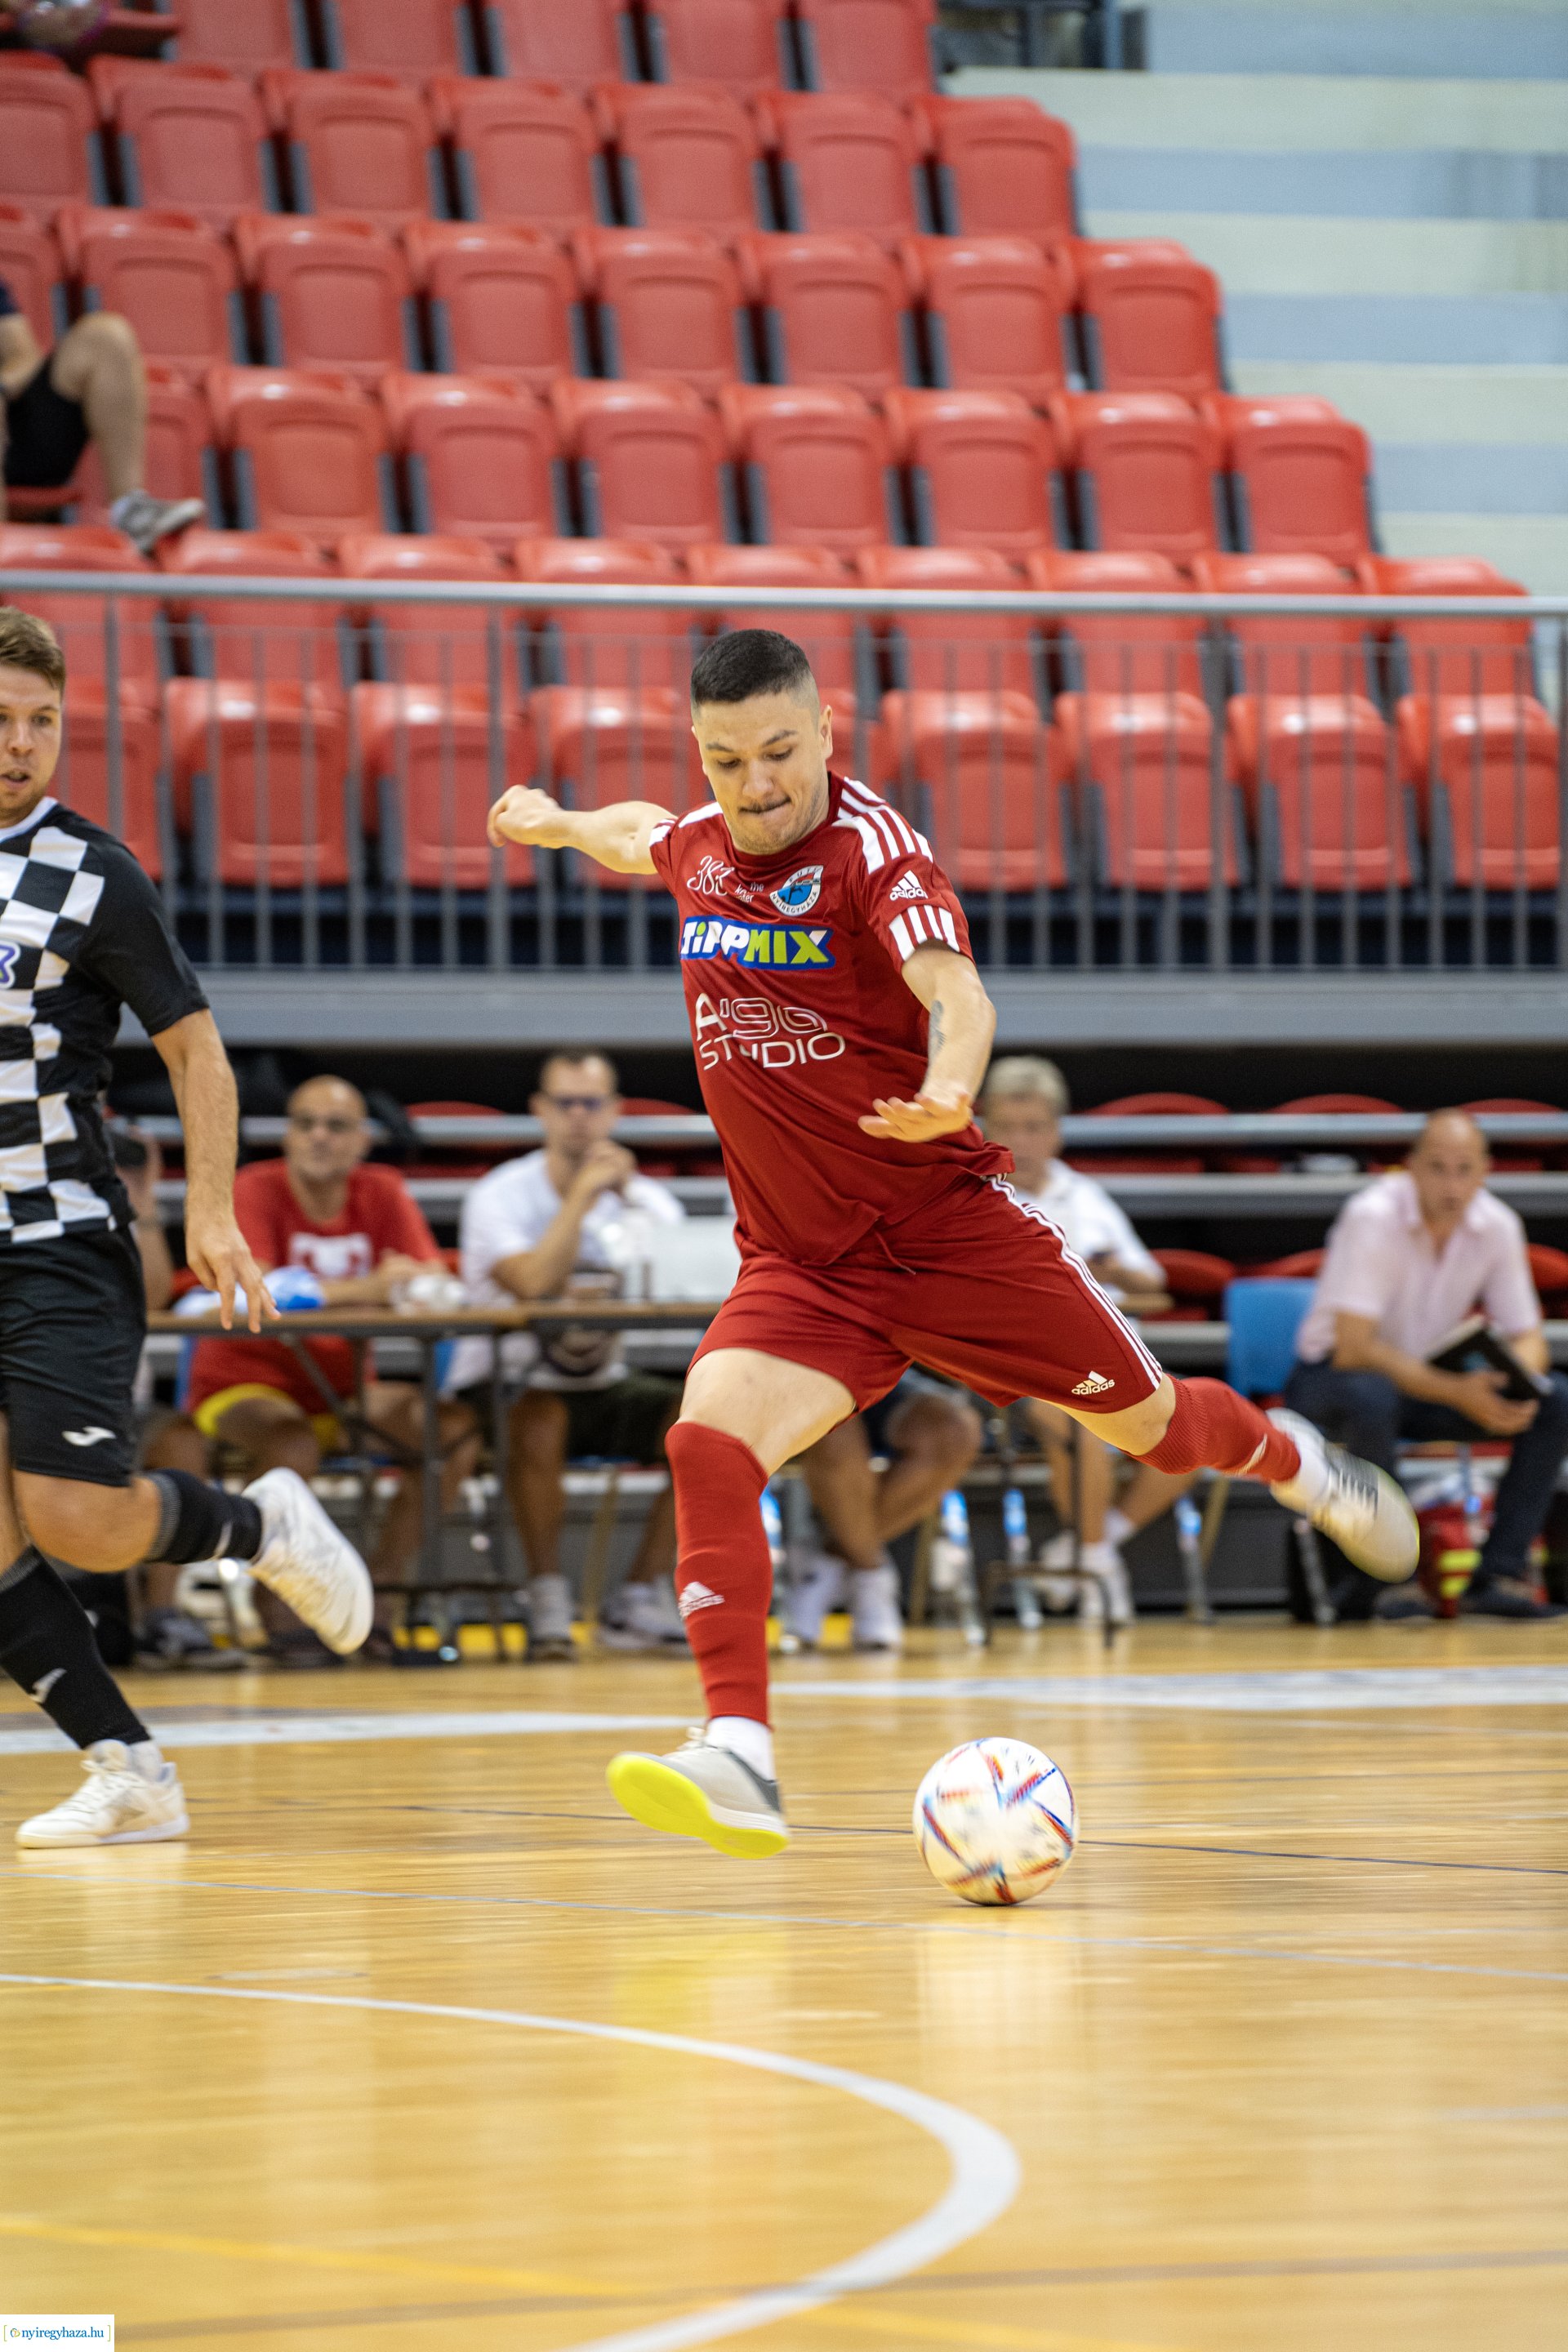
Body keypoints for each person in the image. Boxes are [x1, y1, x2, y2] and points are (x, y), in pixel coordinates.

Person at [488, 628, 1419, 1861]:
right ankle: (740, 1752)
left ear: (825, 731)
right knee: (707, 1440)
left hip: (950, 1239)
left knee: (1159, 1429)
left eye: (779, 751)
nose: (757, 785)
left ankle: (1292, 1460)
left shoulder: (875, 850)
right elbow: (635, 832)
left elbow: (957, 991)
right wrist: (551, 820)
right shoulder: (700, 842)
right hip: (805, 1267)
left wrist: (949, 1083)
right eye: (726, 761)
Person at [0, 608, 371, 1847]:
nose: (21, 745)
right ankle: (131, 1773)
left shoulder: (92, 872)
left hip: (55, 1235)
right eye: (1, 721)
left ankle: (261, 1523)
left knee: (75, 1517)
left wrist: (212, 1206)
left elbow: (197, 1050)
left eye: (42, 722)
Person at [184, 1075, 481, 1665]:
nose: (318, 1136)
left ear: (363, 1141)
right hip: (243, 1384)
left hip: (341, 1392)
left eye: (336, 1125)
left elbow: (430, 1281)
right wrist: (374, 1287)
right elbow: (263, 1289)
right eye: (305, 1123)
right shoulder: (254, 1187)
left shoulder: (384, 1190)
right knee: (289, 1438)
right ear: (289, 1136)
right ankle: (281, 1620)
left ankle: (379, 1601)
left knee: (450, 1432)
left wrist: (410, 1286)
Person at [446, 1052, 688, 1660]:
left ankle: (638, 1595)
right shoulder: (499, 1194)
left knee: (703, 1423)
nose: (579, 1117)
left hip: (606, 1378)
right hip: (506, 1381)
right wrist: (580, 1198)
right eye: (565, 1103)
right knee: (540, 1415)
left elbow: (681, 1284)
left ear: (614, 1111)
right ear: (540, 1111)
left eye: (592, 1103)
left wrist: (622, 1199)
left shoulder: (649, 1202)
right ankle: (547, 1592)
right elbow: (529, 1283)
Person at [1284, 1109, 1568, 1623]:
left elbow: (1528, 1335)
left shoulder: (1498, 1225)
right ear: (1410, 1169)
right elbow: (1353, 1348)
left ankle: (1500, 1573)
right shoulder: (1372, 1216)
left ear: (1485, 1172)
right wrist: (1459, 1392)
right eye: (1437, 1168)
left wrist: (1515, 1383)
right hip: (1328, 1379)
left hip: (1422, 1382)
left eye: (1464, 1169)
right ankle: (1389, 1580)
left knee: (1555, 1400)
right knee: (1371, 1396)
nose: (1451, 1185)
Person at [980, 1056, 1196, 1625]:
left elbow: (1154, 1281)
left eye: (1034, 1127)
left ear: (1056, 1132)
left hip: (1116, 1359)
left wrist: (1115, 1270)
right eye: (1008, 1127)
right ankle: (1098, 1565)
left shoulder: (1085, 1195)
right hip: (1019, 1370)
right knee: (1084, 1426)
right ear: (983, 1128)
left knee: (1189, 1437)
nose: (1021, 1141)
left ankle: (1088, 1549)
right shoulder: (975, 1197)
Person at [0, 277, 203, 555]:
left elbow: (22, 357)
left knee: (106, 335)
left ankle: (130, 510)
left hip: (17, 444)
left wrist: (3, 386)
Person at [786, 1378, 983, 1651]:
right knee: (832, 1423)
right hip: (805, 1372)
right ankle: (869, 1571)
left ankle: (827, 1560)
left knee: (955, 1431)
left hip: (885, 1367)